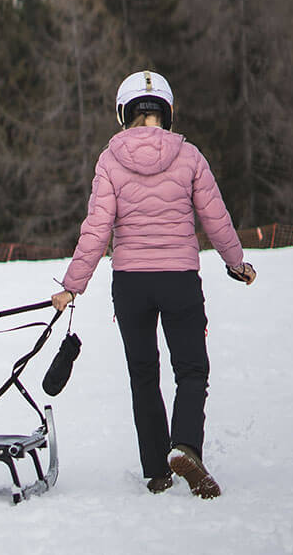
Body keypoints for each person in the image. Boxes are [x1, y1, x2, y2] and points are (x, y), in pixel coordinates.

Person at [51, 69, 256, 498]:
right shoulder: (189, 156)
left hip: (130, 284)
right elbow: (215, 218)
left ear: (124, 113)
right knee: (192, 369)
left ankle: (156, 471)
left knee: (143, 374)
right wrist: (236, 263)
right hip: (180, 279)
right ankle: (184, 446)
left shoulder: (110, 160)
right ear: (168, 113)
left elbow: (96, 228)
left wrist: (73, 285)